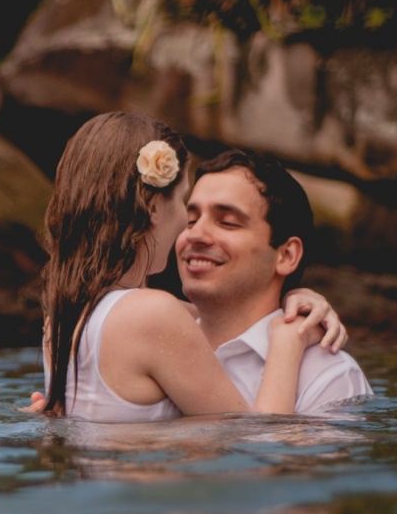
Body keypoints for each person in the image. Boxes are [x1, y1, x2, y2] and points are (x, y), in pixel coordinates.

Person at [33, 111, 340, 421]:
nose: (189, 228)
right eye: (184, 204)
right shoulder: (152, 314)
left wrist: (291, 298)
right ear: (152, 208)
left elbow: (219, 318)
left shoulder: (62, 316)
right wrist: (289, 339)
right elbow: (258, 440)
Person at [177, 148, 372, 414]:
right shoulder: (154, 344)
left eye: (228, 222)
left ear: (286, 255)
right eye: (190, 220)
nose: (195, 234)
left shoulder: (330, 375)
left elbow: (276, 456)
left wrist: (287, 343)